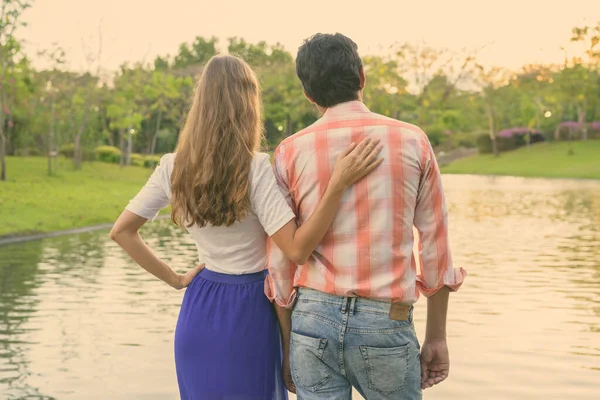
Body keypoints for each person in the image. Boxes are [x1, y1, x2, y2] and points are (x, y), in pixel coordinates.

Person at [109, 54, 383, 400]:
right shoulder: (254, 168)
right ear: (248, 104)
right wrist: (337, 185)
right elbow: (296, 249)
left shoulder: (172, 167)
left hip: (199, 308)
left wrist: (175, 279)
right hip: (251, 310)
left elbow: (122, 231)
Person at [266, 33, 468, 400]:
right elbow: (436, 245)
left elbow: (280, 262)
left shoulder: (288, 152)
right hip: (386, 323)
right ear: (362, 77)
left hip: (311, 322)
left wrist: (286, 343)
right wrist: (437, 335)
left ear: (308, 94)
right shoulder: (412, 141)